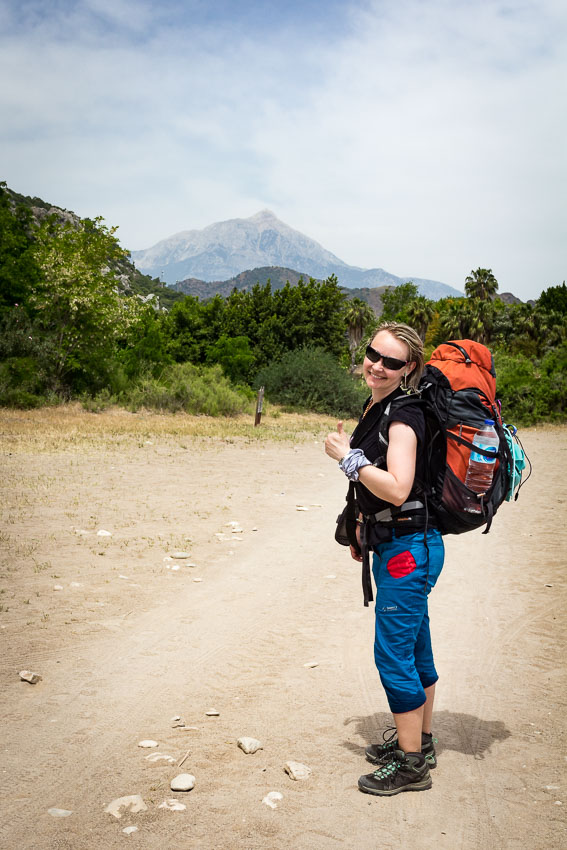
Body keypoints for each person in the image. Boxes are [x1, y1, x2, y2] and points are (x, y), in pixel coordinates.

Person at [324, 321, 445, 796]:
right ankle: (422, 741)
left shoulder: (403, 416)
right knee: (414, 648)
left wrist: (347, 457)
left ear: (408, 367)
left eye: (391, 361)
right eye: (374, 354)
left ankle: (412, 765)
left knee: (392, 654)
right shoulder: (377, 405)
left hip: (408, 553)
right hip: (400, 544)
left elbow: (397, 487)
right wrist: (360, 525)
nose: (377, 365)